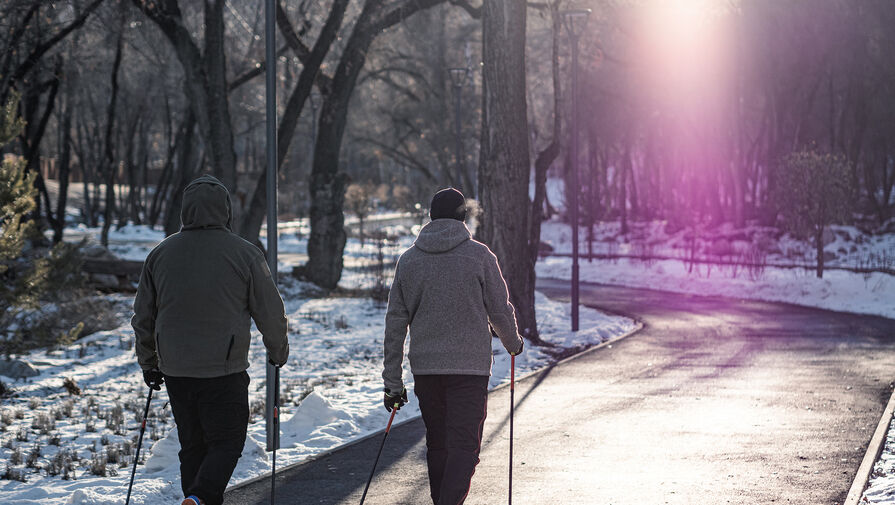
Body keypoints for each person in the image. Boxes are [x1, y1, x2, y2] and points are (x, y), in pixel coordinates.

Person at [132, 175, 289, 505]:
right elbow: (270, 311)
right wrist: (278, 351)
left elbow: (143, 316)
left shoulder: (159, 255)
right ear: (226, 211)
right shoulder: (245, 254)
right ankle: (201, 497)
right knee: (228, 441)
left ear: (185, 210)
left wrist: (149, 362)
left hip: (175, 368)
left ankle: (196, 498)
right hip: (224, 369)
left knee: (192, 445)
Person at [382, 187, 524, 505]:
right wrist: (513, 344)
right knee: (465, 447)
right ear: (463, 217)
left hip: (426, 368)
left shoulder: (409, 261)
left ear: (431, 217)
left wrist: (392, 382)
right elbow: (500, 309)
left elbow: (394, 325)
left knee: (439, 444)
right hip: (470, 369)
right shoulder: (480, 256)